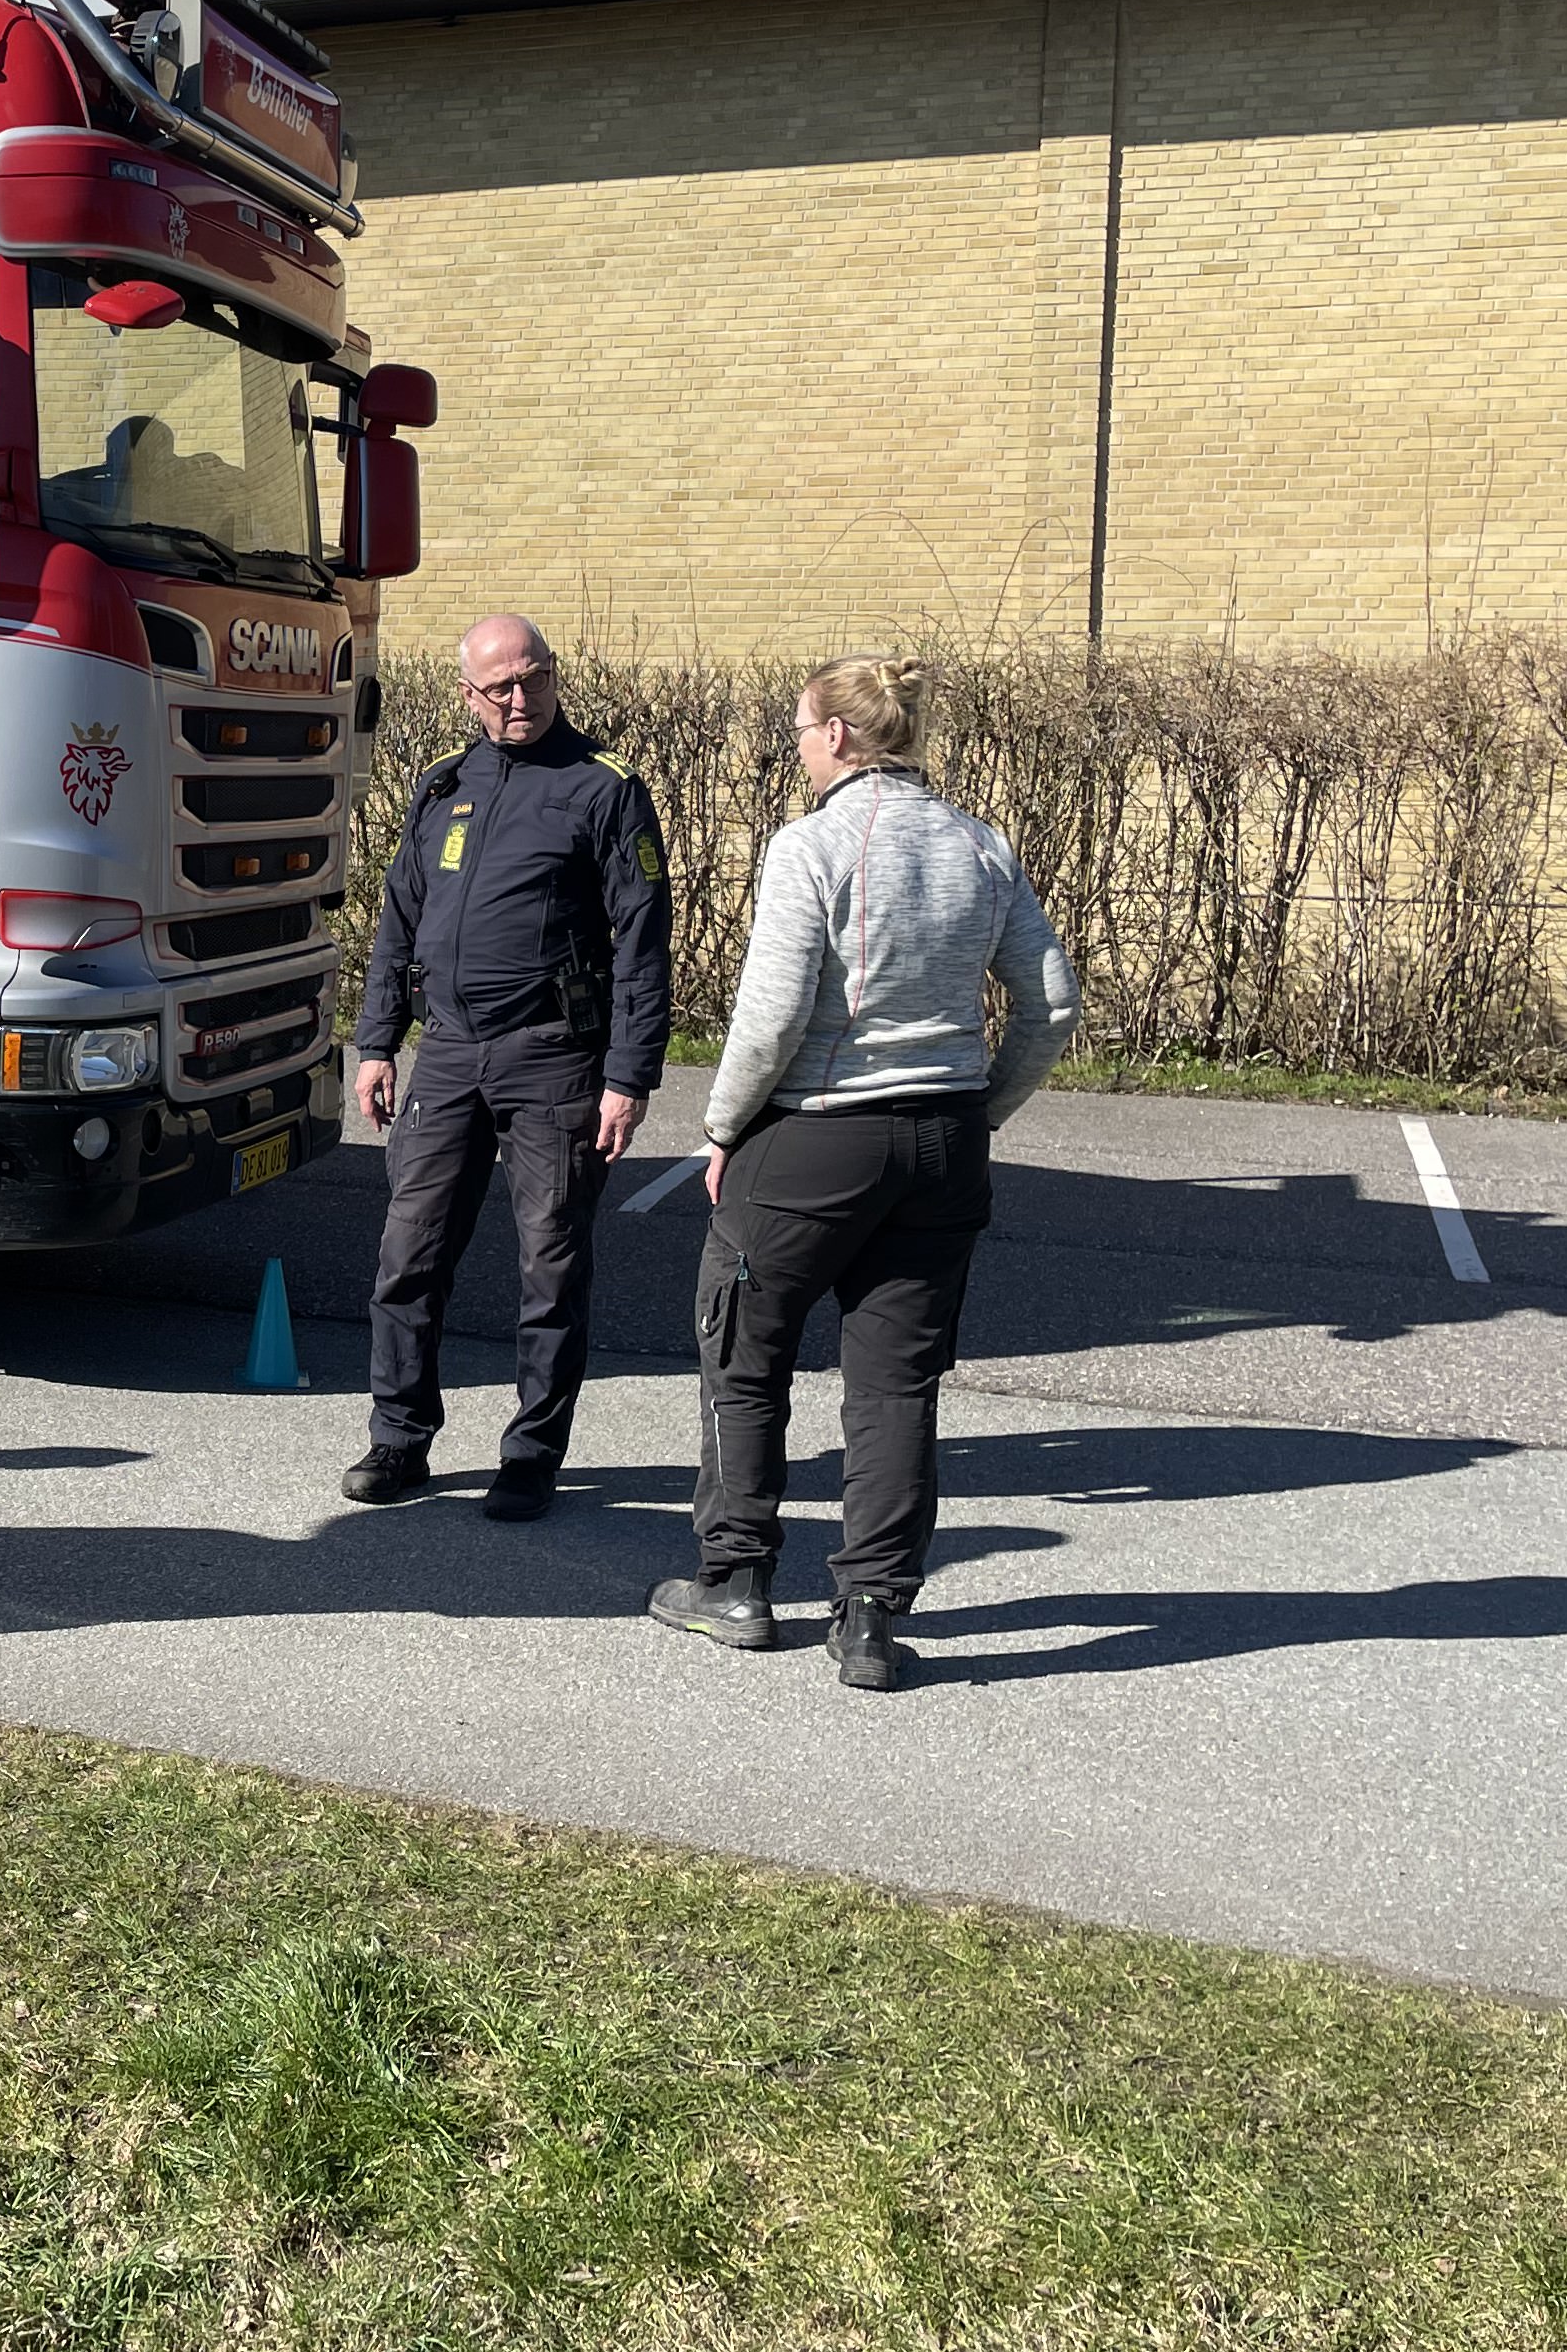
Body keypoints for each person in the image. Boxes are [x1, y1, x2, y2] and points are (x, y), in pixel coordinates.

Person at [650, 654, 1080, 1690]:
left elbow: (772, 1016)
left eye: (800, 731)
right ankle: (873, 1618)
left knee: (743, 1354)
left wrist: (720, 1127)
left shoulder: (812, 846)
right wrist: (980, 1107)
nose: (797, 749)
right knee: (897, 1386)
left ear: (839, 735)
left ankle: (738, 1580)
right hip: (942, 1145)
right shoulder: (982, 846)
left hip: (816, 1139)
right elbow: (1052, 1002)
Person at [344, 615, 674, 1519]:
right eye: (500, 687)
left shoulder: (602, 789)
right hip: (447, 1053)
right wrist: (377, 1042)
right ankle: (398, 1440)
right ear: (469, 696)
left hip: (554, 1059)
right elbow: (396, 924)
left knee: (551, 1268)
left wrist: (628, 1075)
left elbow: (644, 946)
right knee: (407, 1257)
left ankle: (531, 1454)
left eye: (534, 679)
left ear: (553, 678)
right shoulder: (442, 788)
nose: (520, 699)